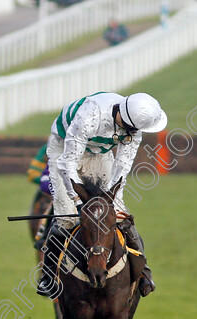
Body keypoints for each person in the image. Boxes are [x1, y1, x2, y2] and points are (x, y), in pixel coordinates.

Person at [36, 92, 167, 298]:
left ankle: (143, 272)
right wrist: (79, 202)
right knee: (66, 217)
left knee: (120, 214)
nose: (137, 133)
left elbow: (121, 169)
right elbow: (68, 164)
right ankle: (48, 275)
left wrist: (112, 201)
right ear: (126, 119)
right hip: (63, 150)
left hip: (98, 152)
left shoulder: (133, 128)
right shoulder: (91, 114)